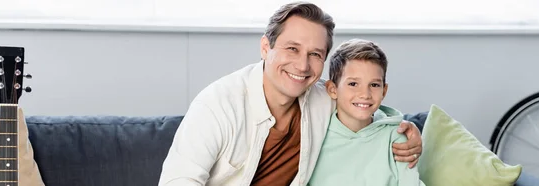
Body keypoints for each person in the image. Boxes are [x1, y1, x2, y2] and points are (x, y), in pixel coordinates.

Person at [158, 2, 422, 186]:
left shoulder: (322, 99)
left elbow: (362, 100)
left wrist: (408, 131)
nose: (302, 65)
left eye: (315, 54)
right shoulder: (217, 106)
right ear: (265, 47)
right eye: (292, 49)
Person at [308, 39, 425, 186]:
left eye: (374, 85)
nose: (365, 94)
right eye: (353, 84)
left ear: (384, 91)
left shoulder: (396, 137)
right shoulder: (315, 133)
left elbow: (410, 182)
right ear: (333, 89)